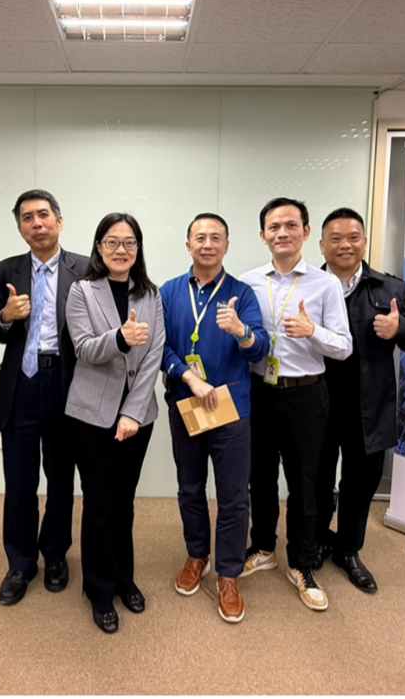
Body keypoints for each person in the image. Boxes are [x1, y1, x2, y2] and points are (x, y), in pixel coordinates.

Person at [239, 198, 352, 613]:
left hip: (306, 393)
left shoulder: (325, 285)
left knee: (306, 481)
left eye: (291, 225)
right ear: (263, 235)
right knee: (260, 476)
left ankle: (302, 563)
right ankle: (263, 547)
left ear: (305, 232)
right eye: (274, 227)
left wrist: (312, 331)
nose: (282, 233)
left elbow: (344, 346)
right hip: (258, 390)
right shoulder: (248, 282)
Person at [161, 213, 268, 624]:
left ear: (226, 245)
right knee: (189, 488)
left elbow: (260, 349)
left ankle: (228, 573)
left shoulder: (242, 293)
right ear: (188, 244)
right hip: (187, 405)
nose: (208, 244)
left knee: (233, 496)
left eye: (216, 238)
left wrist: (241, 331)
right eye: (200, 237)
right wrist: (188, 377)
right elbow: (160, 348)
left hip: (231, 409)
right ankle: (196, 556)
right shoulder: (170, 291)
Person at [317, 208, 405, 593]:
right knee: (315, 480)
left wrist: (400, 329)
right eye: (336, 238)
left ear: (364, 242)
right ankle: (318, 539)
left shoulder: (390, 288)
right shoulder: (309, 286)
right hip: (318, 404)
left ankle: (348, 550)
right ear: (322, 245)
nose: (345, 245)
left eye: (353, 237)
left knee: (360, 483)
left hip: (370, 406)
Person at [64, 213, 165, 634]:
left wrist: (132, 413)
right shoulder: (82, 291)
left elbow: (154, 356)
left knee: (125, 502)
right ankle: (99, 589)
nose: (121, 249)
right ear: (99, 248)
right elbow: (85, 349)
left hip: (138, 417)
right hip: (91, 416)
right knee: (99, 504)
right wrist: (121, 338)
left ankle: (125, 578)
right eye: (112, 242)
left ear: (138, 249)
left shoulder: (151, 295)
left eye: (129, 242)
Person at [0, 190, 88, 607]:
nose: (37, 223)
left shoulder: (86, 268)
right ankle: (20, 562)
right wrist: (5, 317)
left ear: (59, 222)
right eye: (27, 218)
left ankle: (56, 554)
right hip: (22, 386)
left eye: (43, 215)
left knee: (61, 477)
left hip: (66, 383)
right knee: (19, 478)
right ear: (20, 228)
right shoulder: (4, 270)